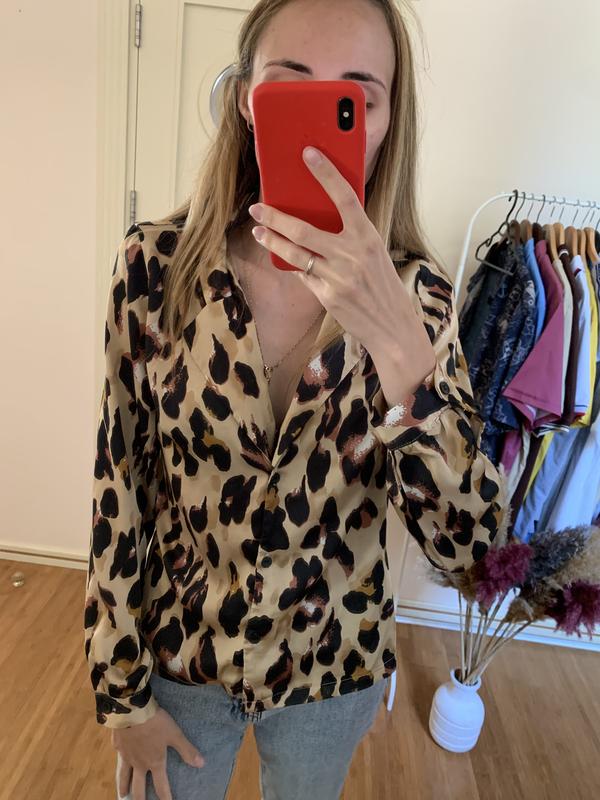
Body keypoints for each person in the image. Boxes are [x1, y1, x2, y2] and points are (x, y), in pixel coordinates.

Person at [84, 1, 505, 798]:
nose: (318, 130)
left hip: (329, 670)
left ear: (388, 122)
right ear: (247, 99)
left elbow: (471, 552)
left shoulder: (419, 300)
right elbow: (119, 486)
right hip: (179, 657)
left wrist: (400, 351)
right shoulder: (153, 269)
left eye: (355, 99)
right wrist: (121, 693)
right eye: (290, 87)